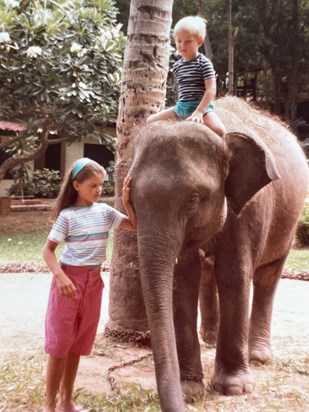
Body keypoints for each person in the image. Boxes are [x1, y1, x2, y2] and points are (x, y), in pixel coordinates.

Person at [42, 157, 137, 412]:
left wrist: (127, 202)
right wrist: (61, 277)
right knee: (61, 343)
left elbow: (133, 225)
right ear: (76, 185)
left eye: (101, 186)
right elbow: (48, 251)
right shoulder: (67, 216)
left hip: (93, 283)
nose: (98, 190)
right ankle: (49, 405)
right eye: (93, 185)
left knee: (78, 343)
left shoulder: (105, 212)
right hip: (68, 282)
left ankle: (66, 402)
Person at [147, 15, 226, 137]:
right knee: (150, 121)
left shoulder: (204, 63)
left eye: (188, 41)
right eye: (179, 41)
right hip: (181, 107)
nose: (182, 45)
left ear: (199, 41)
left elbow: (211, 89)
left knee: (220, 130)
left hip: (201, 108)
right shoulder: (177, 66)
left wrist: (199, 111)